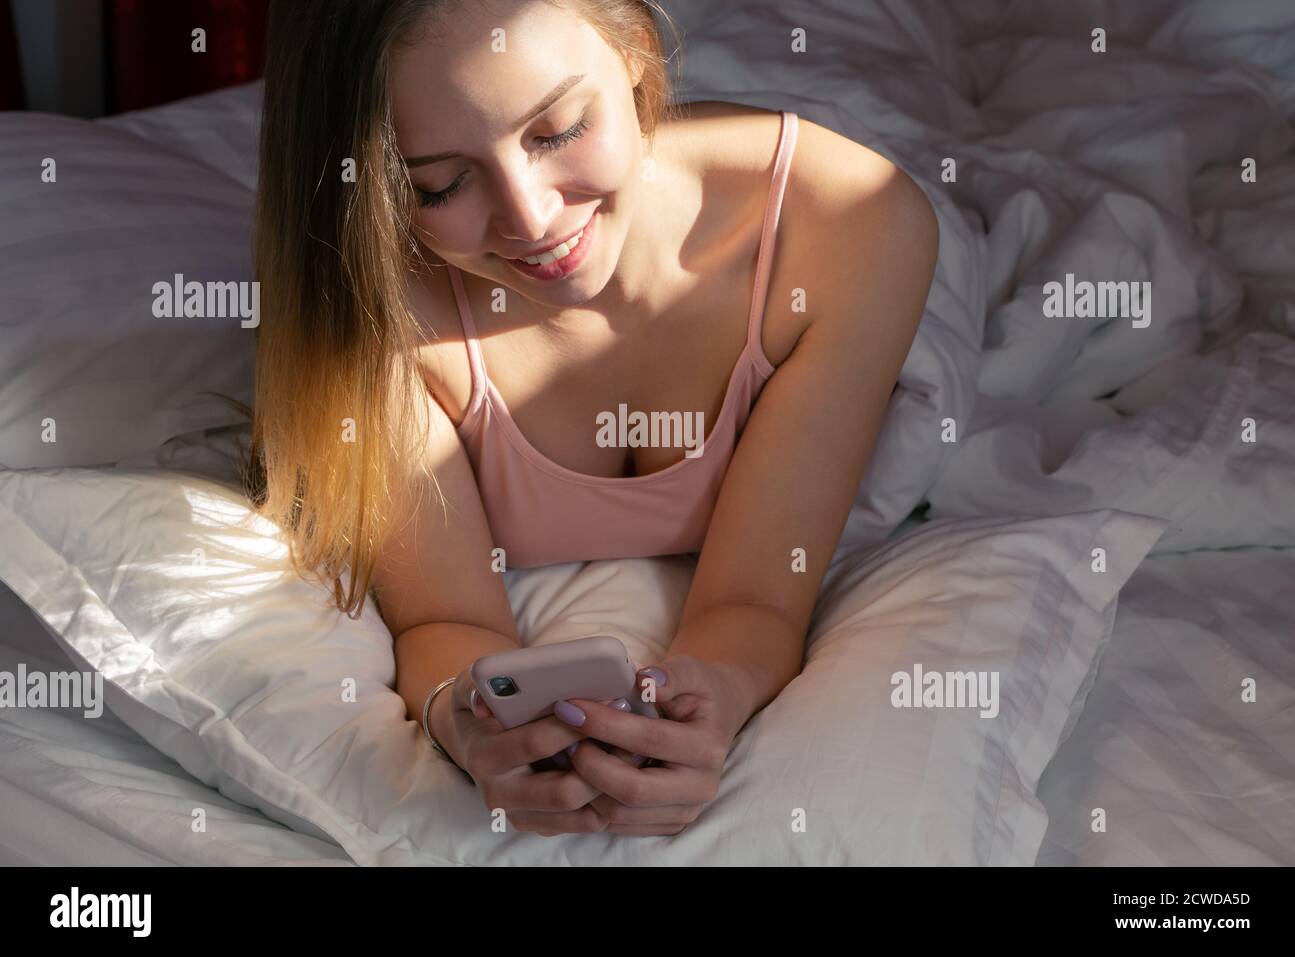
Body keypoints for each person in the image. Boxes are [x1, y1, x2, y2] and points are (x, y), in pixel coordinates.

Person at [246, 0, 938, 837]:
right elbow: (445, 620)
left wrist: (713, 695)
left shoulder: (852, 225)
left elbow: (757, 598)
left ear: (637, 51)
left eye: (558, 130)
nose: (532, 220)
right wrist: (463, 720)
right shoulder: (370, 294)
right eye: (442, 184)